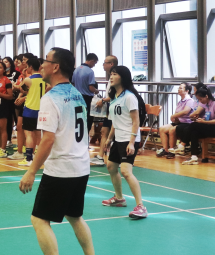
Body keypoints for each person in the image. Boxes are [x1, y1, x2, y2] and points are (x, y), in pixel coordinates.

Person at [20, 47, 101, 255]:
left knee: (39, 220)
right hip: (81, 166)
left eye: (46, 61)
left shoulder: (50, 98)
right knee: (75, 216)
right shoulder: (77, 94)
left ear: (55, 67)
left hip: (61, 169)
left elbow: (47, 139)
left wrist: (31, 171)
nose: (41, 65)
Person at [102, 65, 148, 219]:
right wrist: (109, 138)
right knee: (111, 167)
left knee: (126, 172)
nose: (111, 76)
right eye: (111, 74)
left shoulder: (129, 97)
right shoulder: (115, 97)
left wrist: (132, 142)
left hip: (129, 138)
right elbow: (115, 121)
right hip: (118, 138)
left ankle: (141, 206)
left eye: (115, 74)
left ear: (122, 77)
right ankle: (119, 198)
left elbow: (136, 121)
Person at [180, 87, 215, 166]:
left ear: (206, 96)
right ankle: (194, 157)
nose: (200, 101)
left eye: (201, 99)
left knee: (193, 125)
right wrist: (200, 119)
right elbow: (208, 118)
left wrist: (204, 122)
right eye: (199, 100)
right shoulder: (206, 105)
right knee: (194, 132)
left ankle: (183, 144)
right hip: (210, 126)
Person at [17, 57, 47, 167]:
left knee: (29, 134)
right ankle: (38, 157)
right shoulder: (44, 79)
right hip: (41, 109)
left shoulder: (28, 80)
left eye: (27, 67)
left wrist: (24, 76)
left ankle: (28, 158)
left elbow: (22, 89)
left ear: (30, 67)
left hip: (30, 109)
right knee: (38, 134)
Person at [155, 82, 196, 160]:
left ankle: (172, 151)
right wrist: (175, 119)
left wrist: (174, 116)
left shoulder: (190, 100)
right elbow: (177, 113)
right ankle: (166, 150)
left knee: (172, 129)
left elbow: (185, 111)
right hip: (179, 122)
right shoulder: (180, 102)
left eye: (181, 88)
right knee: (162, 128)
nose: (178, 90)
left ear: (187, 91)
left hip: (187, 122)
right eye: (178, 88)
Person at [71, 53, 99, 136]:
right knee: (88, 118)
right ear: (92, 60)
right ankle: (86, 136)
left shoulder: (76, 69)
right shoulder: (90, 72)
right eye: (94, 63)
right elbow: (91, 87)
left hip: (76, 98)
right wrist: (96, 91)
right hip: (86, 98)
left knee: (78, 117)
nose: (94, 65)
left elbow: (73, 84)